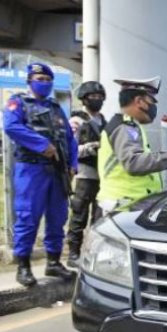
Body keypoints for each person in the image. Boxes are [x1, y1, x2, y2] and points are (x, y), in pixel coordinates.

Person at [3, 62, 78, 287]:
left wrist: (73, 164)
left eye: (47, 80)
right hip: (31, 170)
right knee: (27, 217)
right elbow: (11, 127)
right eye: (39, 79)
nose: (43, 83)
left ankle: (53, 262)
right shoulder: (18, 103)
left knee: (58, 217)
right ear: (29, 81)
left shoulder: (56, 108)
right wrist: (42, 144)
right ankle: (23, 265)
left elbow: (69, 139)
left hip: (57, 172)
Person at [96, 76, 167, 212]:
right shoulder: (125, 127)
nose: (154, 107)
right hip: (122, 207)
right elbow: (134, 163)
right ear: (139, 101)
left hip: (127, 205)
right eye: (152, 101)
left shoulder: (130, 126)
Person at [66, 81, 106, 267]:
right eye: (93, 97)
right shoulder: (76, 121)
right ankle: (73, 254)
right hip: (84, 175)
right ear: (84, 99)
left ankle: (93, 254)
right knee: (79, 215)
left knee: (99, 219)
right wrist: (89, 148)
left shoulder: (103, 122)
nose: (96, 100)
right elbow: (70, 148)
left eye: (99, 97)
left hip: (102, 176)